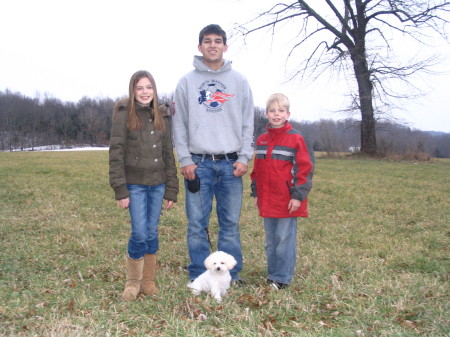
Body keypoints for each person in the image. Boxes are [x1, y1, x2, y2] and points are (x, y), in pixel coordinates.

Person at [172, 24, 254, 285]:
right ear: (200, 47)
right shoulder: (186, 82)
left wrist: (244, 157)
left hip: (231, 165)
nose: (212, 45)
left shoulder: (239, 81)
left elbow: (248, 122)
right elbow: (179, 124)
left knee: (230, 225)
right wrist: (185, 159)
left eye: (217, 41)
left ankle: (231, 275)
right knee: (197, 224)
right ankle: (198, 275)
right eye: (207, 41)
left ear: (225, 47)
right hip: (199, 164)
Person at [109, 70, 179, 301]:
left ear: (154, 89)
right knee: (139, 233)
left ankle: (148, 281)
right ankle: (132, 283)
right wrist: (120, 189)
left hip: (158, 185)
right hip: (135, 185)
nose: (145, 92)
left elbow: (168, 154)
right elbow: (116, 153)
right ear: (133, 90)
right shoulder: (123, 115)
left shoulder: (162, 116)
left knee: (151, 232)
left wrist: (171, 188)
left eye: (149, 87)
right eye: (140, 88)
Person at [250, 93, 314, 290]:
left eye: (281, 111)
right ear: (266, 114)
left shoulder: (296, 138)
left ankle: (282, 278)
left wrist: (298, 196)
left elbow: (304, 169)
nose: (276, 114)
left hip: (287, 199)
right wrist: (256, 192)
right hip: (267, 199)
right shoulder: (261, 139)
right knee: (271, 241)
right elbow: (257, 170)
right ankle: (272, 275)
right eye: (272, 111)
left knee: (284, 239)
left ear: (288, 114)